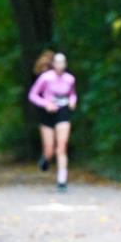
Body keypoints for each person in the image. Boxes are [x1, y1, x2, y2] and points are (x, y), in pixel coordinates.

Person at [28, 52, 77, 190]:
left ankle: (62, 181)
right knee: (49, 149)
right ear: (53, 64)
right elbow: (32, 95)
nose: (60, 65)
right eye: (58, 62)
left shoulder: (70, 79)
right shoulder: (46, 78)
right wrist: (46, 104)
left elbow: (72, 94)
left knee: (62, 147)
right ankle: (46, 159)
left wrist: (73, 101)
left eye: (63, 62)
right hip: (47, 113)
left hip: (63, 112)